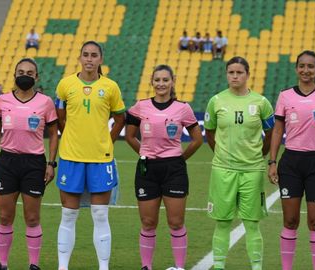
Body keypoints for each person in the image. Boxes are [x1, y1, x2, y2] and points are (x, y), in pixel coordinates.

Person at [268, 50, 315, 270]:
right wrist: (272, 162)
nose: (306, 70)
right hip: (291, 162)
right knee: (290, 221)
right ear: (296, 69)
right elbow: (277, 131)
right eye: (302, 66)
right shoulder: (285, 96)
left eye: (311, 66)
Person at [54, 40, 126, 270]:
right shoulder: (65, 85)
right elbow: (60, 117)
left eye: (94, 55)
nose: (89, 59)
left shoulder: (111, 87)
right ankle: (63, 267)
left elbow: (121, 117)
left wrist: (108, 140)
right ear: (79, 57)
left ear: (100, 59)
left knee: (100, 214)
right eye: (85, 54)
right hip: (71, 157)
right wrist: (71, 136)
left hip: (100, 159)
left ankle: (103, 267)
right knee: (68, 215)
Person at [125, 65, 203, 270]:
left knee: (176, 222)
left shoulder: (183, 108)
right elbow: (130, 135)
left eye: (165, 80)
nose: (161, 84)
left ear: (172, 81)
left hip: (173, 169)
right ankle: (146, 266)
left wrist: (180, 158)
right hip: (147, 169)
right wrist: (143, 153)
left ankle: (179, 266)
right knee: (148, 222)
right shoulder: (140, 106)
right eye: (157, 79)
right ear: (151, 81)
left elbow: (197, 139)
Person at [204, 56, 274, 270]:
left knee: (252, 223)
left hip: (252, 169)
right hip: (223, 169)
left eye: (239, 72)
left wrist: (261, 153)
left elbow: (271, 131)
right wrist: (221, 153)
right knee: (222, 221)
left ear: (247, 75)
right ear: (227, 74)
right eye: (231, 72)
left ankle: (256, 267)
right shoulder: (216, 100)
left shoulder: (261, 102)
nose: (235, 76)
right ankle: (218, 266)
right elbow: (209, 131)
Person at [0, 58, 58, 270]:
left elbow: (54, 134)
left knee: (32, 216)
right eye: (21, 71)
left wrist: (51, 163)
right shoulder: (2, 101)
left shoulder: (45, 102)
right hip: (7, 161)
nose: (25, 75)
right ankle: (3, 263)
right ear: (14, 75)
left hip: (34, 163)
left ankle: (34, 264)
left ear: (36, 77)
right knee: (5, 216)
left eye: (29, 72)